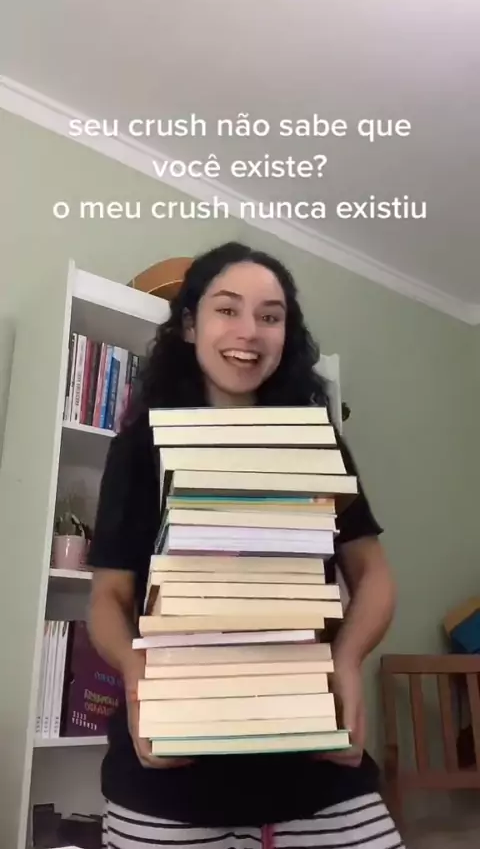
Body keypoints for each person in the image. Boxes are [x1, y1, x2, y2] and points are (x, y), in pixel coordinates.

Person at [87, 241, 402, 848]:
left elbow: (374, 575)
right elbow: (108, 598)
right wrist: (135, 671)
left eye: (270, 316)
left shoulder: (318, 441)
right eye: (227, 309)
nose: (249, 331)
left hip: (313, 754)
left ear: (286, 334)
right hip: (171, 772)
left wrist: (348, 658)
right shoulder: (139, 448)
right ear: (190, 325)